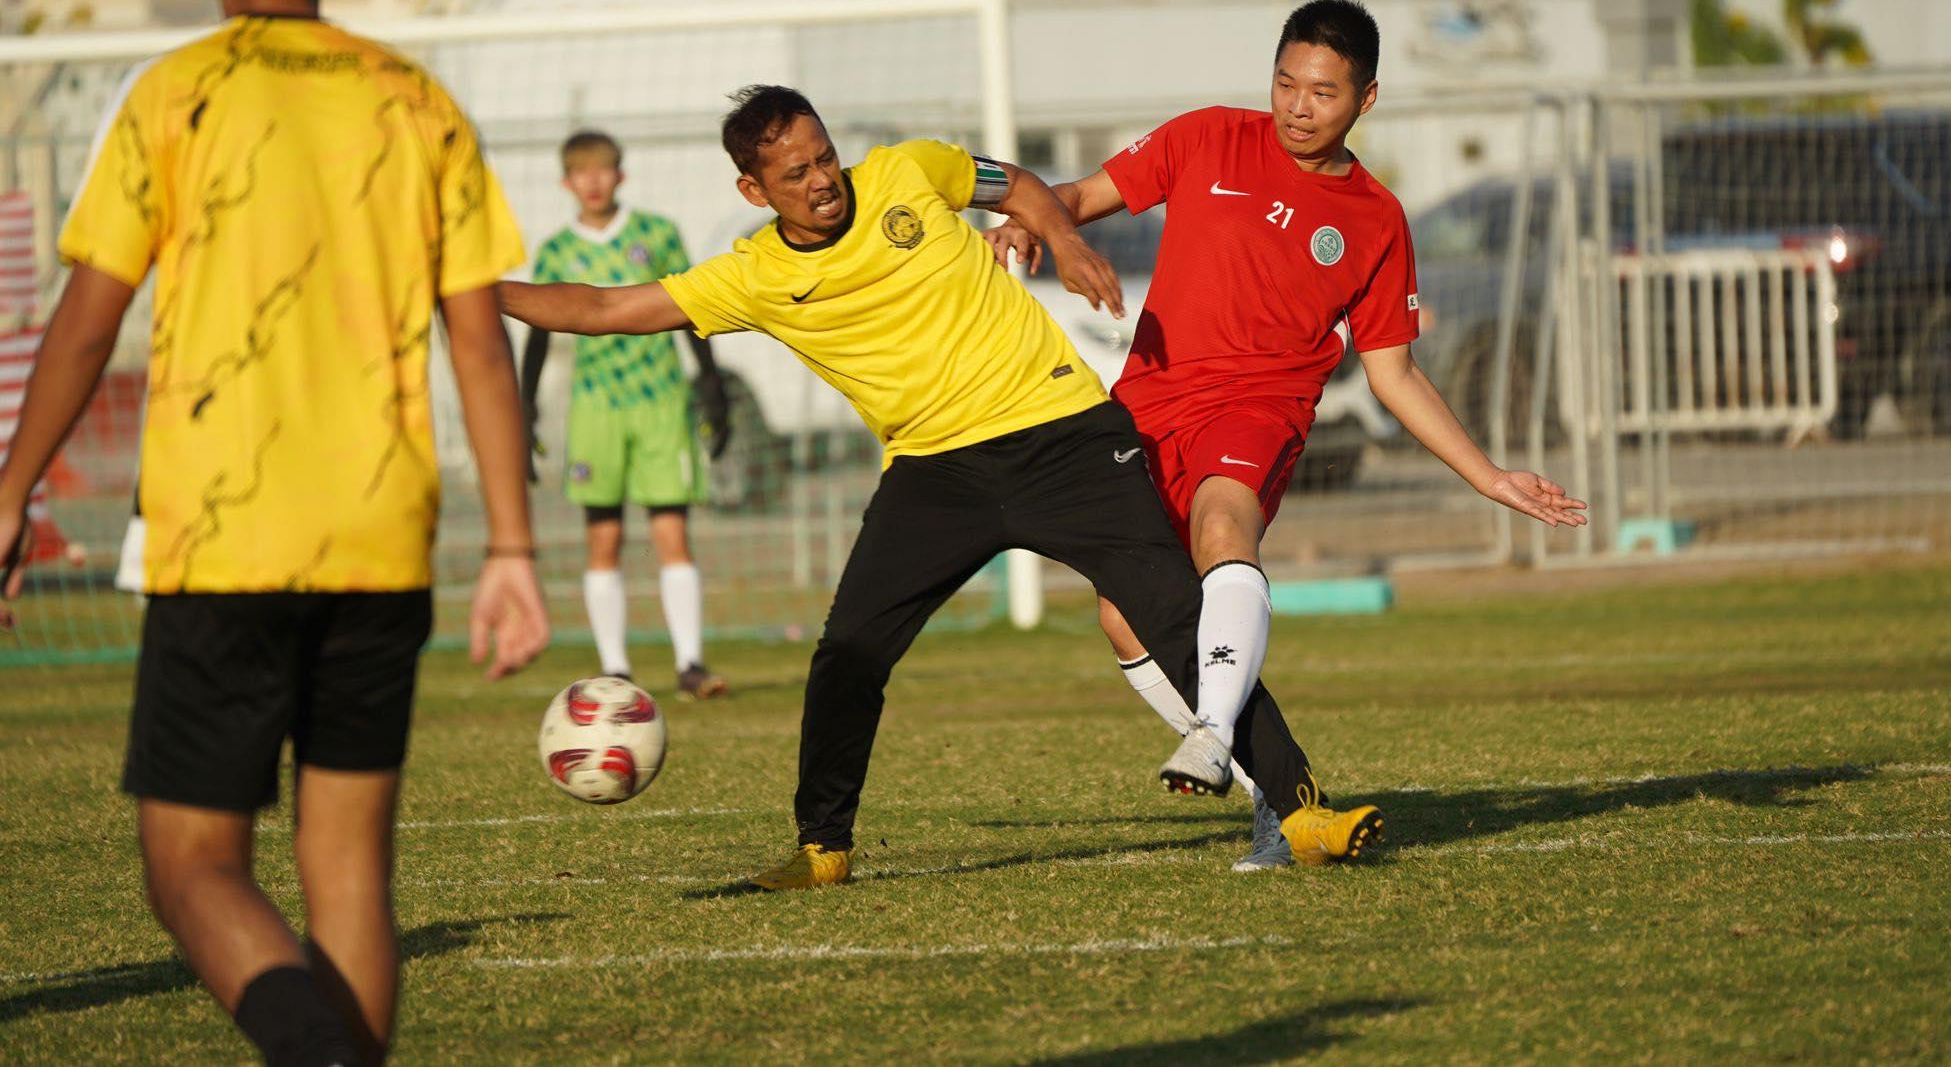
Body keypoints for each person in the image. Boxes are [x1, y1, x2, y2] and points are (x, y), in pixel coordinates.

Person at [501, 84, 1383, 891]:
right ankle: (823, 848)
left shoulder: (907, 171)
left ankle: (1303, 812)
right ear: (754, 192)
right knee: (850, 649)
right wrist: (468, 294)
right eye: (795, 173)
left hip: (1061, 433)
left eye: (824, 157)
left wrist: (1068, 241)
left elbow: (1020, 187)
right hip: (934, 475)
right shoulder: (754, 276)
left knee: (1171, 614)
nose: (822, 181)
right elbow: (602, 309)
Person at [0, 0, 548, 1066]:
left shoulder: (172, 97)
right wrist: (511, 550)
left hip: (223, 534)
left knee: (190, 864)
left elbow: (84, 325)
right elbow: (477, 340)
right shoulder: (413, 101)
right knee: (346, 864)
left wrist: (14, 488)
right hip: (381, 534)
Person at [988, 0, 1586, 869]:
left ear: (1366, 100)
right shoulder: (1207, 139)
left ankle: (1212, 733)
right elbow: (1078, 196)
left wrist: (1487, 476)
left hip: (1259, 410)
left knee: (1223, 528)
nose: (1298, 106)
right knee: (1124, 616)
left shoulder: (1377, 221)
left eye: (1324, 93)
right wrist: (1033, 219)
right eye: (1285, 82)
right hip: (1149, 404)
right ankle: (1278, 795)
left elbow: (1394, 374)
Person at [522, 129, 733, 698]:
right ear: (567, 182)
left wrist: (710, 384)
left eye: (603, 169)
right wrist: (527, 405)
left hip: (660, 400)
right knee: (605, 539)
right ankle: (615, 670)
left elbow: (692, 310)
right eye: (581, 172)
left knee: (671, 532)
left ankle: (690, 664)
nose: (592, 181)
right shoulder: (555, 252)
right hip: (595, 408)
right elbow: (540, 330)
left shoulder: (657, 234)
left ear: (621, 175)